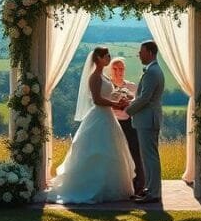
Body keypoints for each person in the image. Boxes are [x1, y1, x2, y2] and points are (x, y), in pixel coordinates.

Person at [47, 46, 135, 204]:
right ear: (99, 58)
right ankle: (92, 187)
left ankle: (109, 188)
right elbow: (97, 100)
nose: (109, 58)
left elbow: (107, 94)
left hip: (108, 117)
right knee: (97, 151)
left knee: (112, 151)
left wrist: (119, 99)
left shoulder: (104, 77)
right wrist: (116, 104)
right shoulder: (94, 77)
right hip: (99, 116)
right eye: (106, 56)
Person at [125, 40, 165, 204]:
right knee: (148, 157)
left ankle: (153, 193)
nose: (139, 55)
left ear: (150, 52)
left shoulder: (152, 72)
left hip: (147, 120)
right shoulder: (154, 70)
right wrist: (131, 100)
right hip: (148, 119)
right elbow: (143, 97)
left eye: (141, 52)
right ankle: (149, 190)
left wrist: (127, 110)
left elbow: (145, 98)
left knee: (150, 158)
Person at [110, 56, 145, 196]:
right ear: (110, 70)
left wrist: (128, 103)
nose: (119, 71)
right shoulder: (107, 86)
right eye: (115, 68)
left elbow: (139, 104)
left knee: (134, 153)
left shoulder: (131, 86)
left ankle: (138, 185)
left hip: (129, 123)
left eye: (121, 68)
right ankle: (116, 185)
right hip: (112, 123)